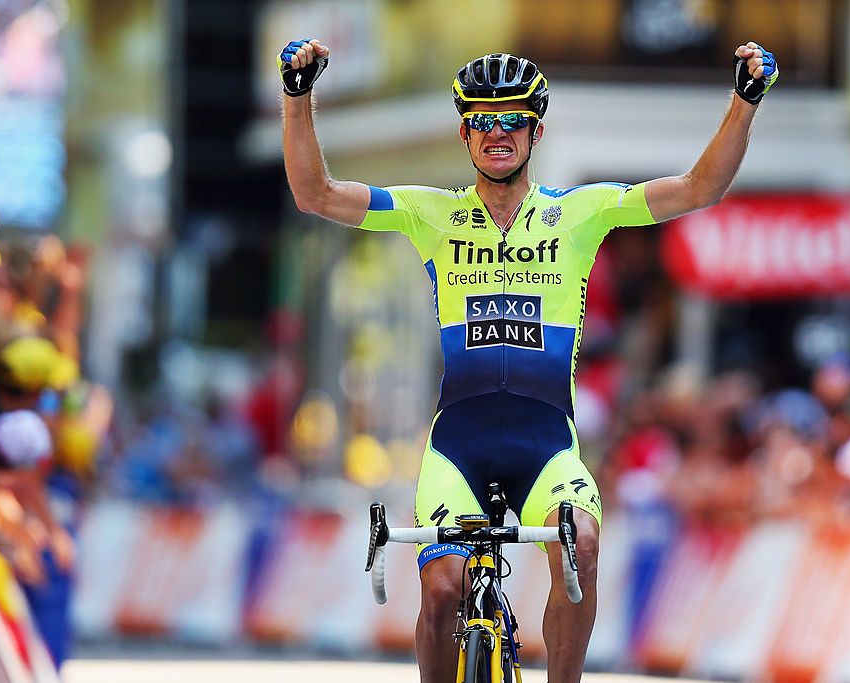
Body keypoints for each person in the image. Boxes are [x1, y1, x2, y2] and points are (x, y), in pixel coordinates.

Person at [279, 39, 778, 683]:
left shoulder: (580, 213)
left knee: (584, 549)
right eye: (483, 120)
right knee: (440, 593)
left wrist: (744, 100)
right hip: (457, 446)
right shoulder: (433, 215)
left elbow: (699, 188)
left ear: (534, 130)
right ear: (465, 132)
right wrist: (298, 99)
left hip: (546, 445)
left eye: (511, 118)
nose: (497, 132)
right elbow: (315, 194)